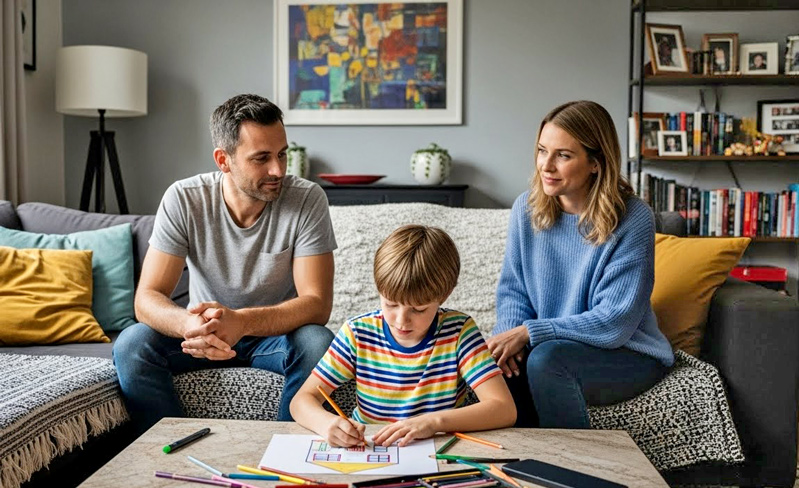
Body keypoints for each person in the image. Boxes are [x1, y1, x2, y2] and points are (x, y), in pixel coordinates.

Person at [114, 94, 337, 435]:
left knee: (317, 342)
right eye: (261, 158)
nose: (277, 170)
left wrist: (243, 322)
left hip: (273, 339)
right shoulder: (184, 198)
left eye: (282, 154)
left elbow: (317, 305)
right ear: (224, 160)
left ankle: (286, 452)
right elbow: (147, 297)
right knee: (132, 343)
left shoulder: (307, 199)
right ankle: (174, 449)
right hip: (204, 335)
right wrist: (189, 325)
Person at [487, 100, 674, 429]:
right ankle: (518, 469)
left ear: (596, 163)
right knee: (499, 367)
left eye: (563, 155)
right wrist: (508, 341)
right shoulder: (525, 210)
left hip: (627, 353)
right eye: (543, 150)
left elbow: (614, 321)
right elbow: (514, 290)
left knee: (546, 360)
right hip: (552, 345)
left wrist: (530, 333)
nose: (546, 165)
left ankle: (578, 473)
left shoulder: (633, 218)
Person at [290, 225, 516, 447]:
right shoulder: (358, 333)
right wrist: (326, 423)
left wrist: (434, 422)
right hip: (370, 447)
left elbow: (504, 408)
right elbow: (301, 401)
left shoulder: (458, 332)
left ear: (444, 296)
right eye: (390, 304)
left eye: (418, 310)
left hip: (438, 448)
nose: (400, 321)